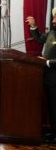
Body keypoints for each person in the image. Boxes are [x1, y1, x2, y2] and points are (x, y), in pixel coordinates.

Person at [26, 8, 56, 142]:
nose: (53, 20)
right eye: (53, 17)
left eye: (55, 18)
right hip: (48, 78)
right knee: (52, 106)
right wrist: (33, 26)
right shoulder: (52, 33)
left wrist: (48, 62)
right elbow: (38, 38)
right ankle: (53, 132)